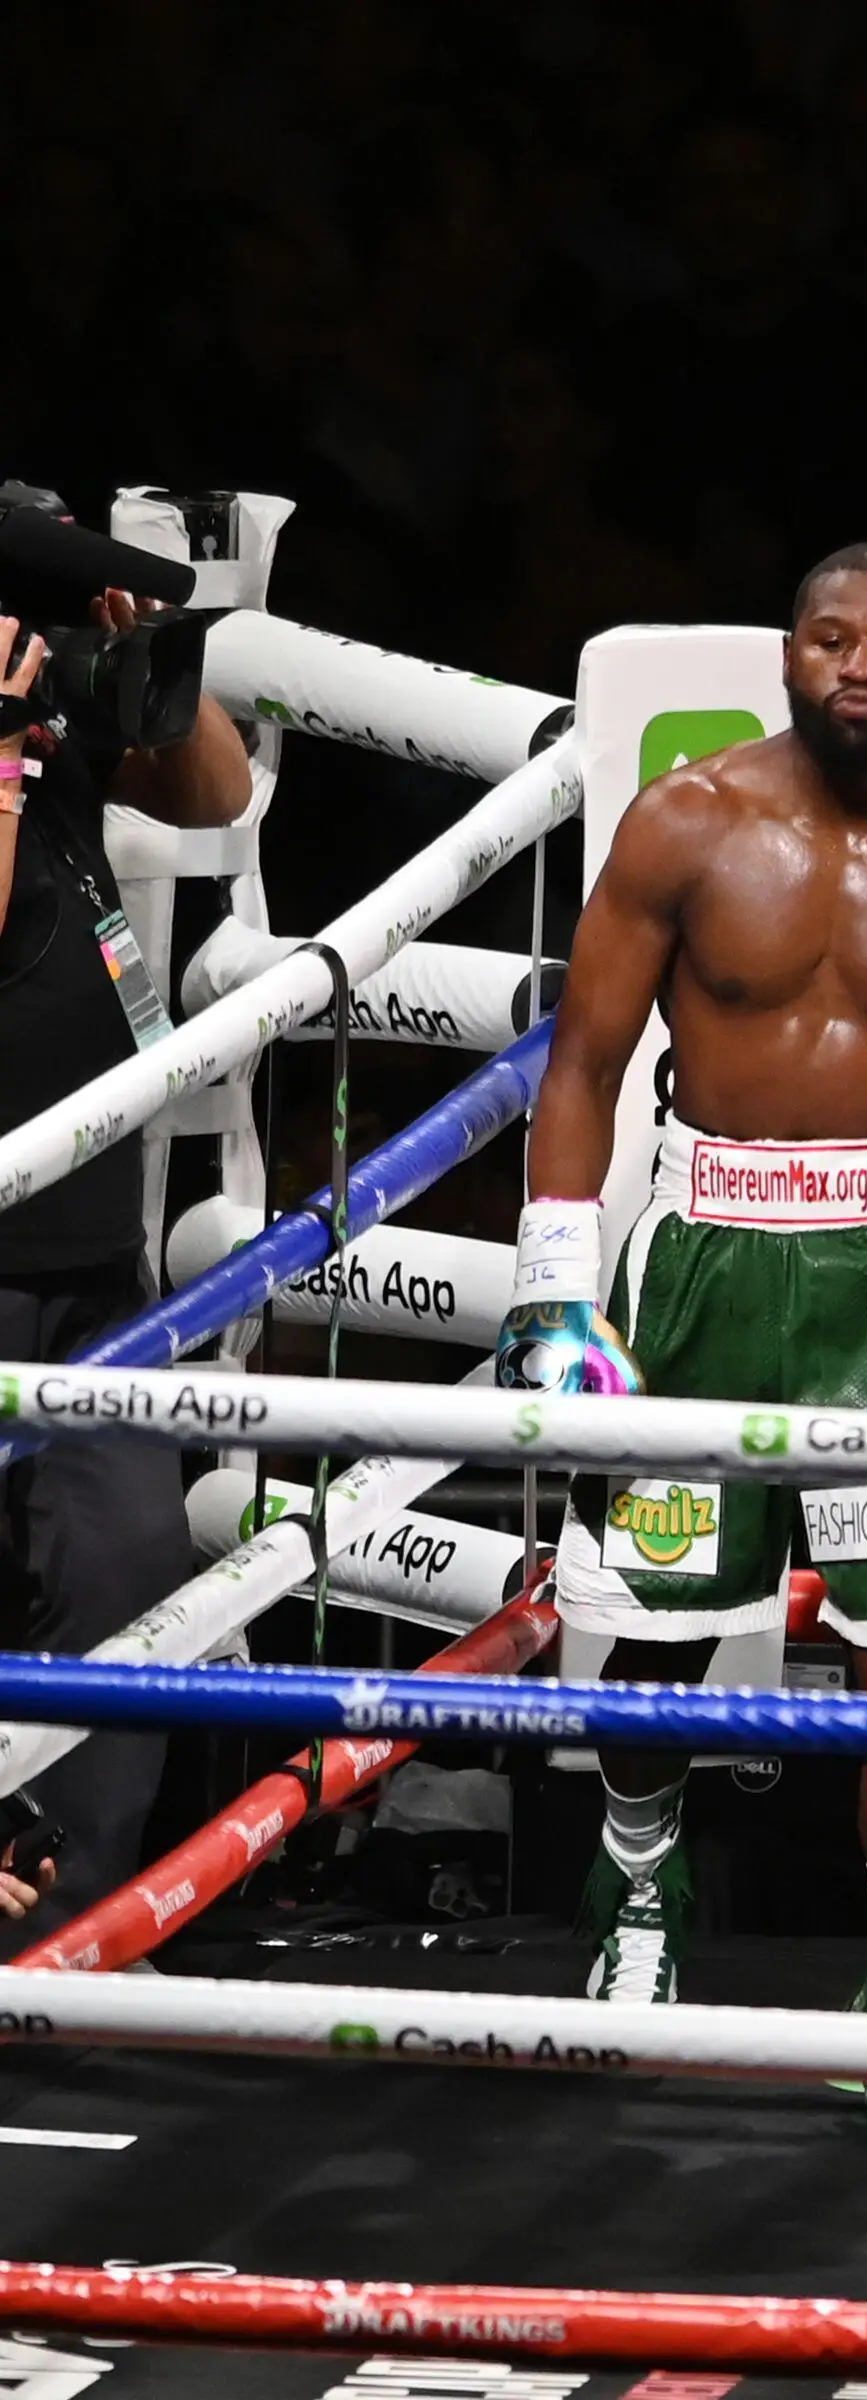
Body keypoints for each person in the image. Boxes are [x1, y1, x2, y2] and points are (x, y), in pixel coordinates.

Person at [497, 543, 867, 2148]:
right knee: (652, 1615)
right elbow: (587, 1059)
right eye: (831, 638)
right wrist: (558, 1283)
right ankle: (635, 1886)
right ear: (787, 655)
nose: (859, 666)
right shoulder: (689, 824)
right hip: (697, 1248)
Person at [0, 539, 256, 1935]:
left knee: (131, 1564)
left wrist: (157, 653)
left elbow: (216, 795)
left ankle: (80, 1926)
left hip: (89, 1238)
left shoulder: (45, 703)